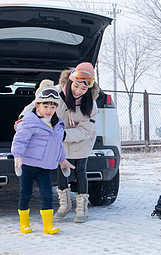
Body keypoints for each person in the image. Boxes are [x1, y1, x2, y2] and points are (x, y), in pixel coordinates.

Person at [18, 62, 99, 223]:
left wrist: (61, 134)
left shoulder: (91, 104)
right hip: (59, 138)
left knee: (80, 170)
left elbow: (85, 130)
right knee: (62, 170)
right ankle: (64, 204)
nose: (78, 91)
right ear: (70, 81)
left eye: (84, 89)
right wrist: (22, 118)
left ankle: (81, 207)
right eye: (76, 86)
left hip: (81, 139)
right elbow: (35, 105)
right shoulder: (55, 91)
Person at [12, 80, 74, 234]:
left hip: (44, 167)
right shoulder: (29, 122)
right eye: (45, 106)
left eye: (53, 107)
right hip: (27, 165)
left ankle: (48, 226)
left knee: (47, 195)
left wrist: (63, 160)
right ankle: (24, 224)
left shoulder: (58, 124)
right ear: (37, 105)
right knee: (25, 193)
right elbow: (19, 140)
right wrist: (18, 157)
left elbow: (58, 145)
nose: (49, 110)